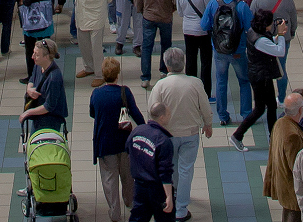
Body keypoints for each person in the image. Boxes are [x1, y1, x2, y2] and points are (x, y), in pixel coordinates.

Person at [150, 46, 215, 221]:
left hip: (167, 135)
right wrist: (208, 124)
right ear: (184, 63)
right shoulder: (195, 83)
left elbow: (152, 111)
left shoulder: (160, 86)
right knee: (186, 169)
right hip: (190, 134)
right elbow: (205, 107)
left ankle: (173, 195)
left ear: (167, 66)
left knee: (171, 168)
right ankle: (181, 209)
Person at [91, 57, 146, 222]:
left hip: (105, 143)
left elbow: (93, 113)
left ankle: (115, 213)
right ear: (117, 74)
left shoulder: (97, 93)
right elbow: (136, 114)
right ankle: (130, 201)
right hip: (125, 142)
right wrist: (144, 129)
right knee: (128, 175)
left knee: (109, 178)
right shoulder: (125, 92)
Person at [231, 7, 290, 150]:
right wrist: (281, 35)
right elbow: (279, 51)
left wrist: (276, 37)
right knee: (259, 109)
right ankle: (237, 135)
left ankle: (273, 136)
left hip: (261, 74)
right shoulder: (260, 40)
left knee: (271, 106)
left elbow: (269, 43)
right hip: (260, 77)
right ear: (266, 25)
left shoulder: (253, 32)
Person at [206, 0, 253, 126]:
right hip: (238, 50)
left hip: (219, 51)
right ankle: (246, 114)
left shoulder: (213, 4)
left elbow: (204, 25)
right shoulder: (242, 6)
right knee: (244, 81)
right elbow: (249, 28)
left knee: (221, 82)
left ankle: (222, 116)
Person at [133, 0, 180, 86]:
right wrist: (171, 10)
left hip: (148, 16)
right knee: (166, 45)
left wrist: (142, 10)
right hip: (165, 17)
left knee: (146, 47)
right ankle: (164, 71)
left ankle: (145, 77)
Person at [265, 92, 303, 222]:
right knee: (292, 215)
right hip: (291, 187)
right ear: (299, 110)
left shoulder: (280, 123)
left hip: (281, 180)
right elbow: (296, 167)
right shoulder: (293, 135)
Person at [127, 104, 177, 222]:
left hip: (139, 186)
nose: (170, 116)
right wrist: (169, 196)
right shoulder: (163, 141)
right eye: (168, 114)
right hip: (158, 189)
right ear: (162, 118)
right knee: (165, 218)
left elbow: (128, 149)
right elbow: (165, 172)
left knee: (138, 217)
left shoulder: (137, 131)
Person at [21, 38, 70, 136]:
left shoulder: (54, 78)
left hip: (50, 120)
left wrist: (28, 113)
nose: (32, 57)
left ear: (46, 57)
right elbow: (32, 79)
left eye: (37, 55)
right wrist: (29, 89)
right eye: (34, 53)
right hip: (39, 115)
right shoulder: (39, 65)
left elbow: (49, 106)